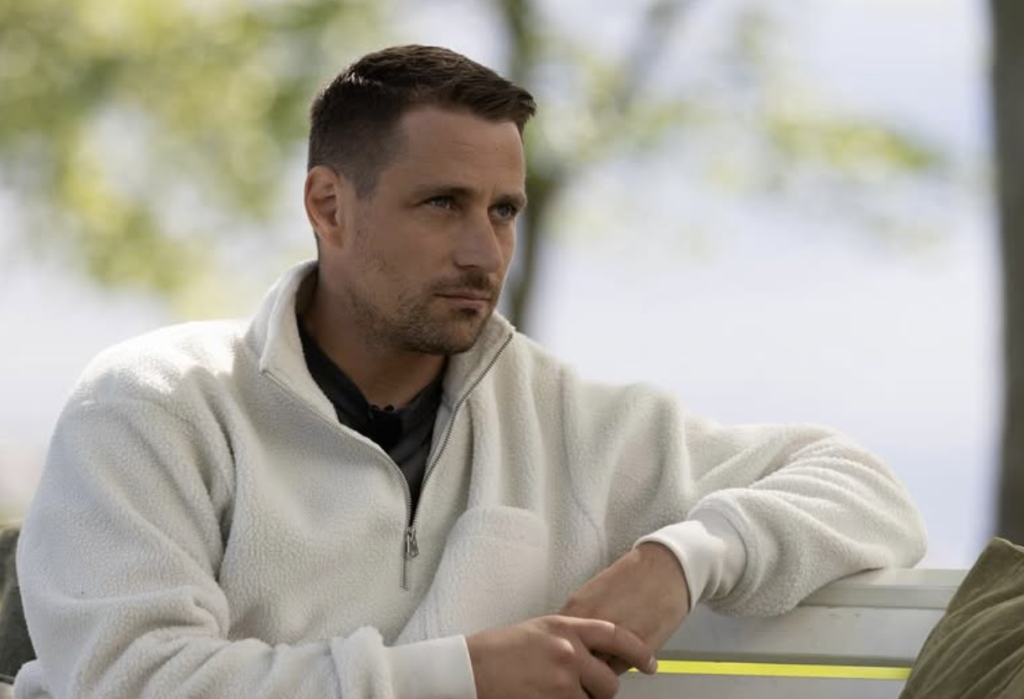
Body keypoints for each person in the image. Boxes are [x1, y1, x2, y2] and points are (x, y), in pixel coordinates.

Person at [12, 45, 926, 699]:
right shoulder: (155, 401)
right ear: (329, 206)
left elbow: (864, 490)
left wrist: (681, 559)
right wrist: (463, 676)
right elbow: (127, 680)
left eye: (503, 211)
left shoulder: (565, 421)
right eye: (443, 204)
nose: (484, 252)